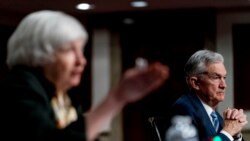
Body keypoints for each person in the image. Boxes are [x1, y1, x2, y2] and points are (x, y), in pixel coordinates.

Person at [0, 10, 169, 141]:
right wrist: (117, 97)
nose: (81, 61)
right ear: (39, 54)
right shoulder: (20, 87)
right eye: (69, 50)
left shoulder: (62, 95)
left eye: (81, 50)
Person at [169, 49, 248, 141]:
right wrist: (228, 132)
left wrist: (235, 135)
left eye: (224, 78)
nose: (224, 85)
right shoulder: (183, 109)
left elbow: (218, 138)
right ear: (195, 83)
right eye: (216, 77)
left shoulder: (214, 115)